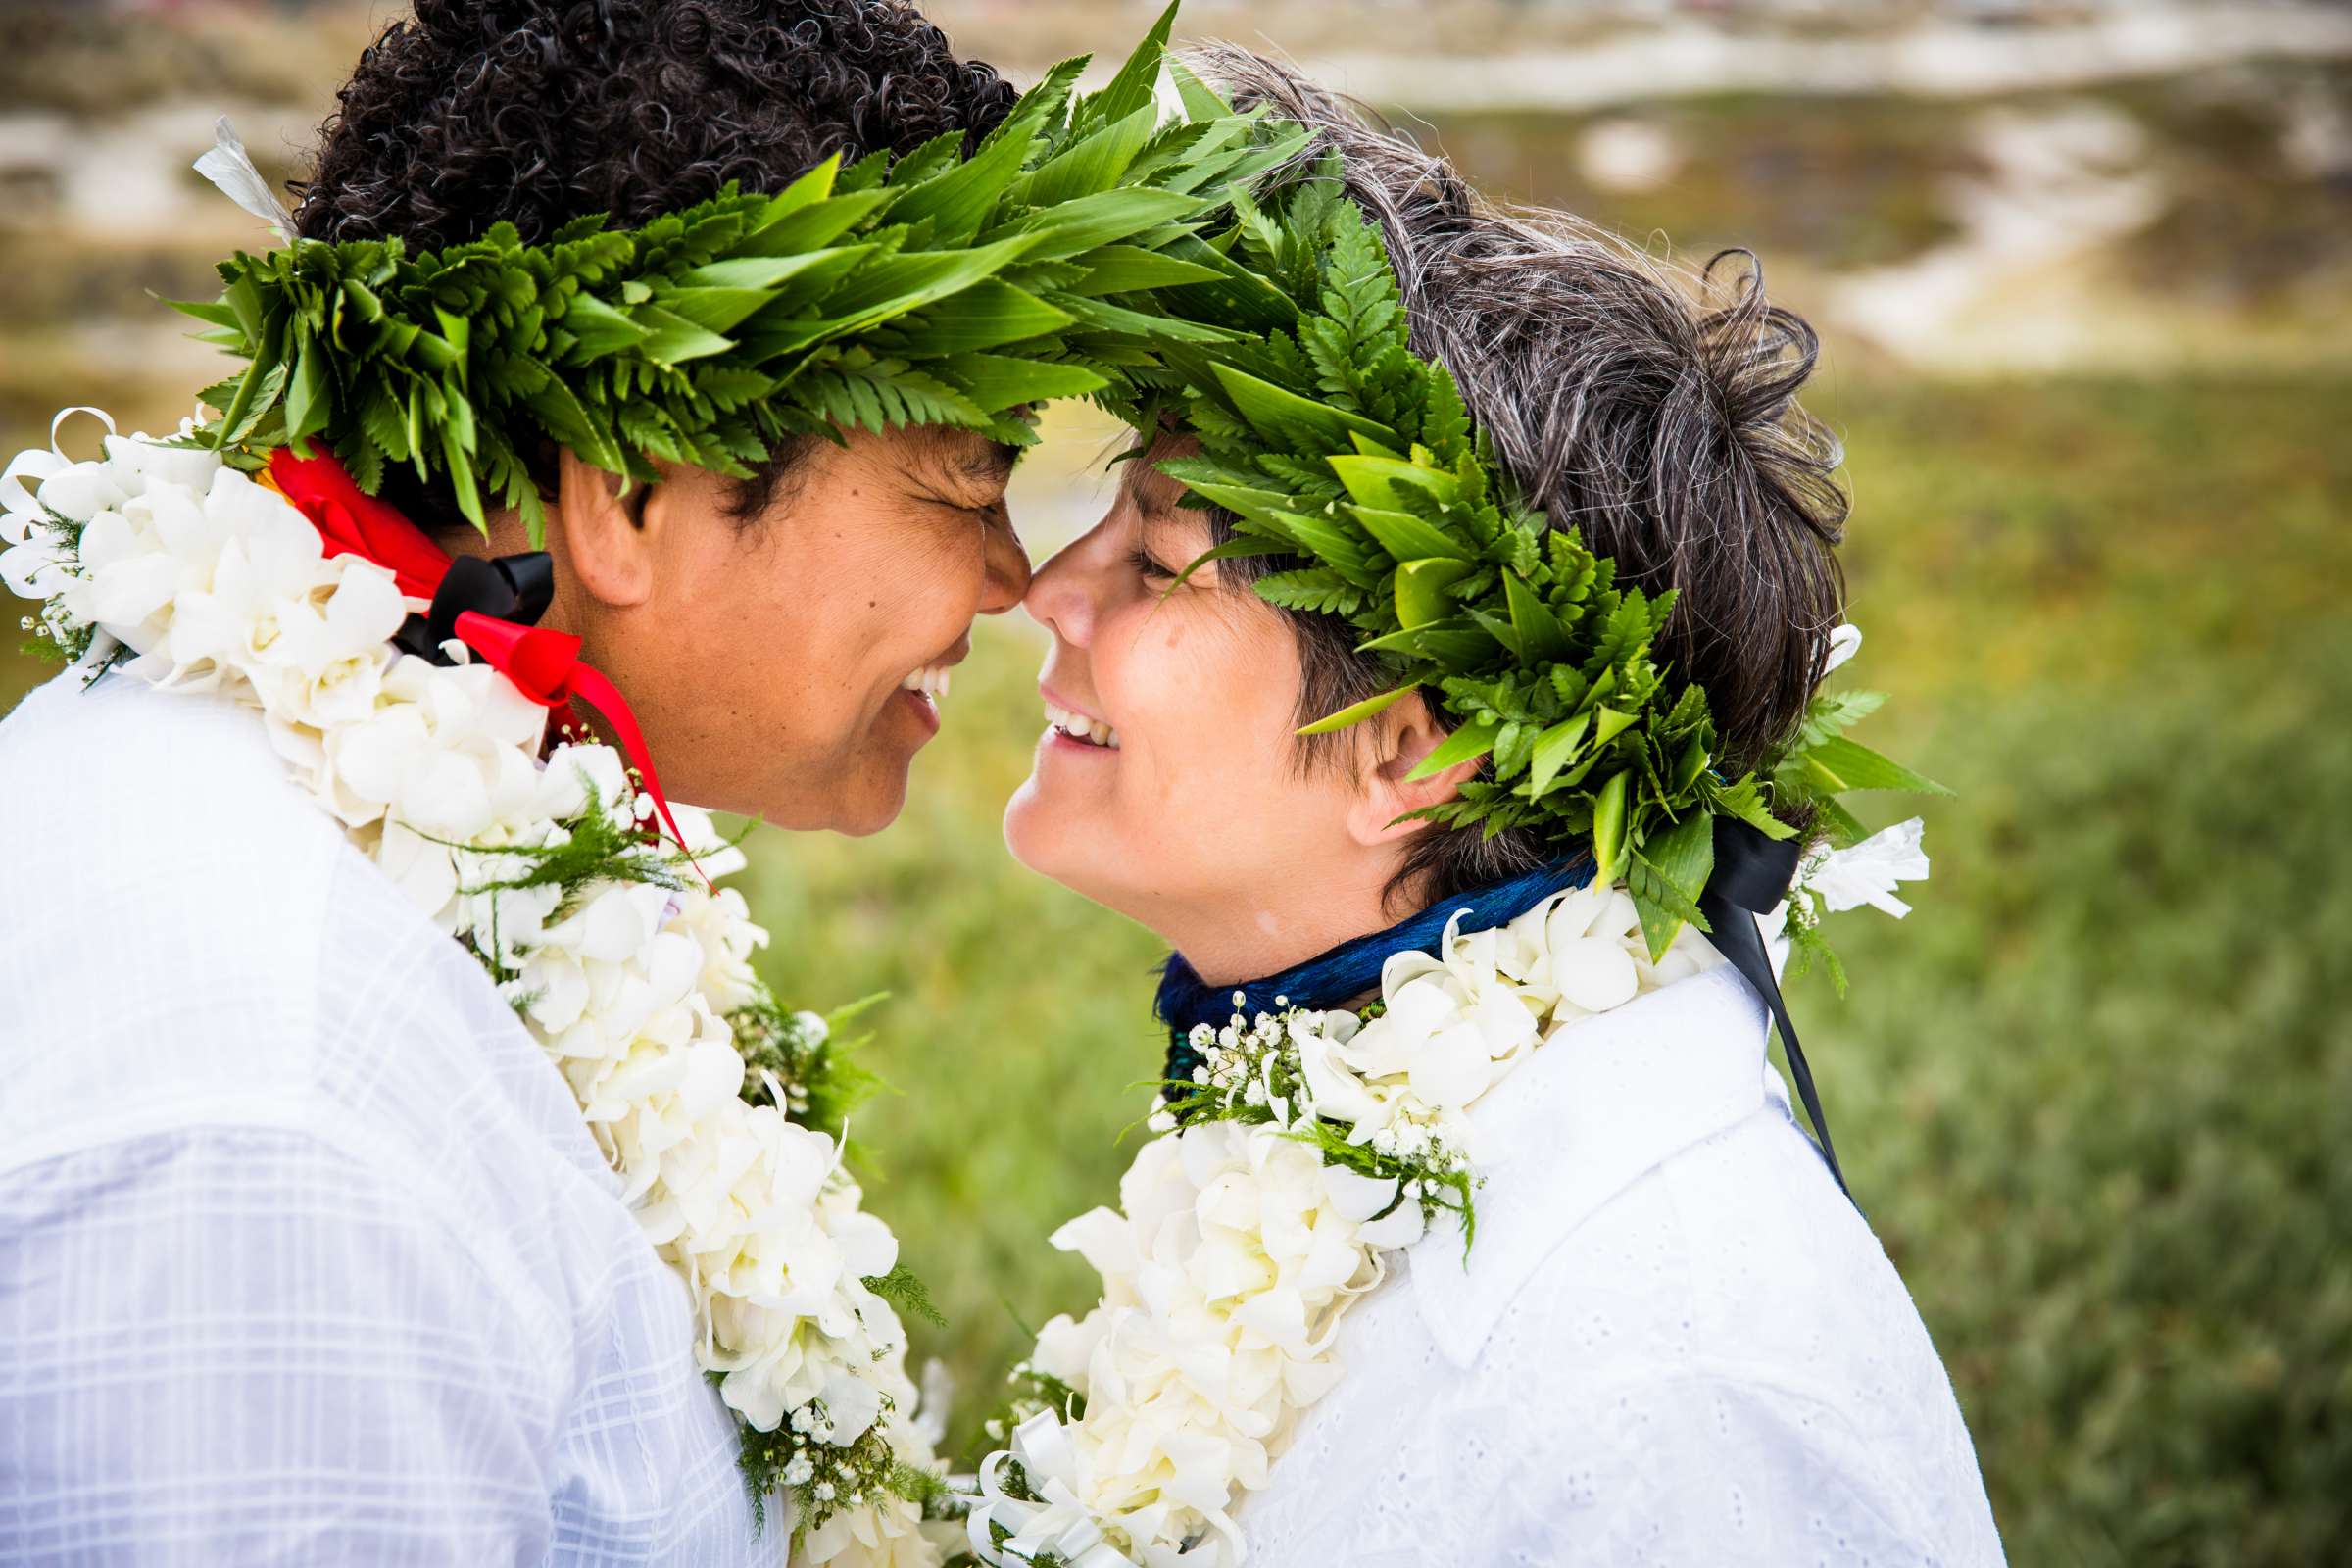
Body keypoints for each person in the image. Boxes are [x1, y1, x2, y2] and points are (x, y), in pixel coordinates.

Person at [0, 3, 1031, 1561]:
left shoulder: (387, 822)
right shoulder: (276, 1118)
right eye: (969, 487)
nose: (1019, 580)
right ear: (628, 494)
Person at [987, 48, 2007, 1567]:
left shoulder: (1672, 1393)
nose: (1042, 592)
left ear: (1407, 753)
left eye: (1153, 558)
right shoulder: (1364, 1130)